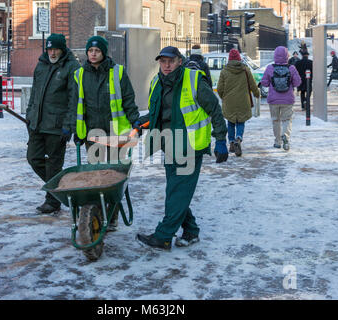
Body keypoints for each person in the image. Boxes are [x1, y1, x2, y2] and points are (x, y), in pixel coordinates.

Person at [136, 46, 228, 250]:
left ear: (179, 61)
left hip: (190, 146)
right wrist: (142, 122)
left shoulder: (194, 80)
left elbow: (214, 109)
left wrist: (221, 139)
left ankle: (163, 236)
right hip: (168, 143)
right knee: (176, 191)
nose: (166, 65)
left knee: (177, 192)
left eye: (171, 61)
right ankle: (191, 231)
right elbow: (157, 113)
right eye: (163, 61)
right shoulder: (156, 82)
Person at [71, 35, 140, 230]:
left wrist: (135, 121)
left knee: (113, 176)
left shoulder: (117, 72)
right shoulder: (79, 75)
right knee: (96, 176)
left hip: (117, 132)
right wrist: (76, 129)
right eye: (90, 51)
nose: (93, 54)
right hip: (92, 133)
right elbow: (75, 104)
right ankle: (98, 212)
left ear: (104, 53)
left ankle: (112, 216)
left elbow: (128, 99)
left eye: (97, 51)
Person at [25, 33, 80, 214]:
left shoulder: (71, 67)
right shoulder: (41, 64)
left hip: (57, 126)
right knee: (33, 158)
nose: (52, 52)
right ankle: (61, 188)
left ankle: (52, 201)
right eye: (49, 49)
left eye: (55, 49)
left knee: (54, 164)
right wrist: (29, 115)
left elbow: (74, 99)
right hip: (38, 123)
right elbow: (34, 93)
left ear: (62, 49)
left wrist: (69, 124)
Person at [217, 49, 260, 157]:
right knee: (241, 121)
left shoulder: (224, 71)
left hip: (229, 101)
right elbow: (252, 84)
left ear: (229, 59)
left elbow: (219, 88)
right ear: (239, 59)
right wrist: (256, 93)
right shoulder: (245, 70)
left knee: (230, 122)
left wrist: (223, 97)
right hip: (243, 100)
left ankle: (231, 141)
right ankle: (238, 138)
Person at [261, 46, 301, 151]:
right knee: (287, 119)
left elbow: (264, 83)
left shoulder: (270, 68)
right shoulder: (291, 68)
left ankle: (277, 141)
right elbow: (297, 82)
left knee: (275, 120)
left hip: (273, 100)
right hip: (288, 100)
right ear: (287, 56)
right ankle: (285, 137)